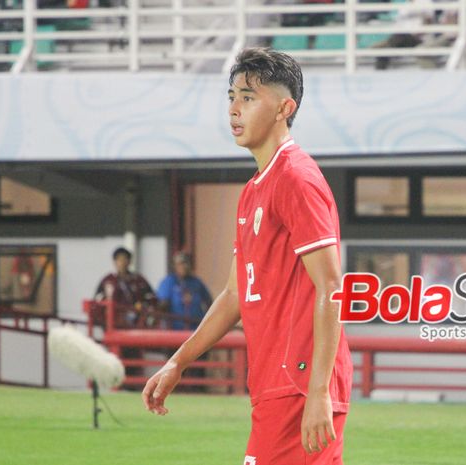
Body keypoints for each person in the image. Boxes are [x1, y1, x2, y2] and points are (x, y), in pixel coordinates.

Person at [142, 48, 353, 464]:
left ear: (284, 108)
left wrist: (318, 393)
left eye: (248, 97)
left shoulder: (296, 179)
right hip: (275, 386)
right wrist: (178, 362)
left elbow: (331, 287)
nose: (234, 109)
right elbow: (234, 296)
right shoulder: (255, 189)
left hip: (299, 385)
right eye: (231, 96)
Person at [94, 247, 157, 328]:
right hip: (112, 325)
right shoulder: (108, 281)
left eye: (125, 259)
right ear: (114, 262)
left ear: (130, 261)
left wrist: (143, 313)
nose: (122, 262)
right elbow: (97, 302)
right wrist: (102, 322)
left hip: (135, 325)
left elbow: (152, 300)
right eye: (119, 260)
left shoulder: (139, 281)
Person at [157, 251, 213, 330]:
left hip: (196, 328)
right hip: (175, 330)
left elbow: (209, 301)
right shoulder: (169, 281)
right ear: (174, 266)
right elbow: (162, 303)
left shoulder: (196, 282)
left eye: (186, 263)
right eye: (180, 263)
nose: (184, 266)